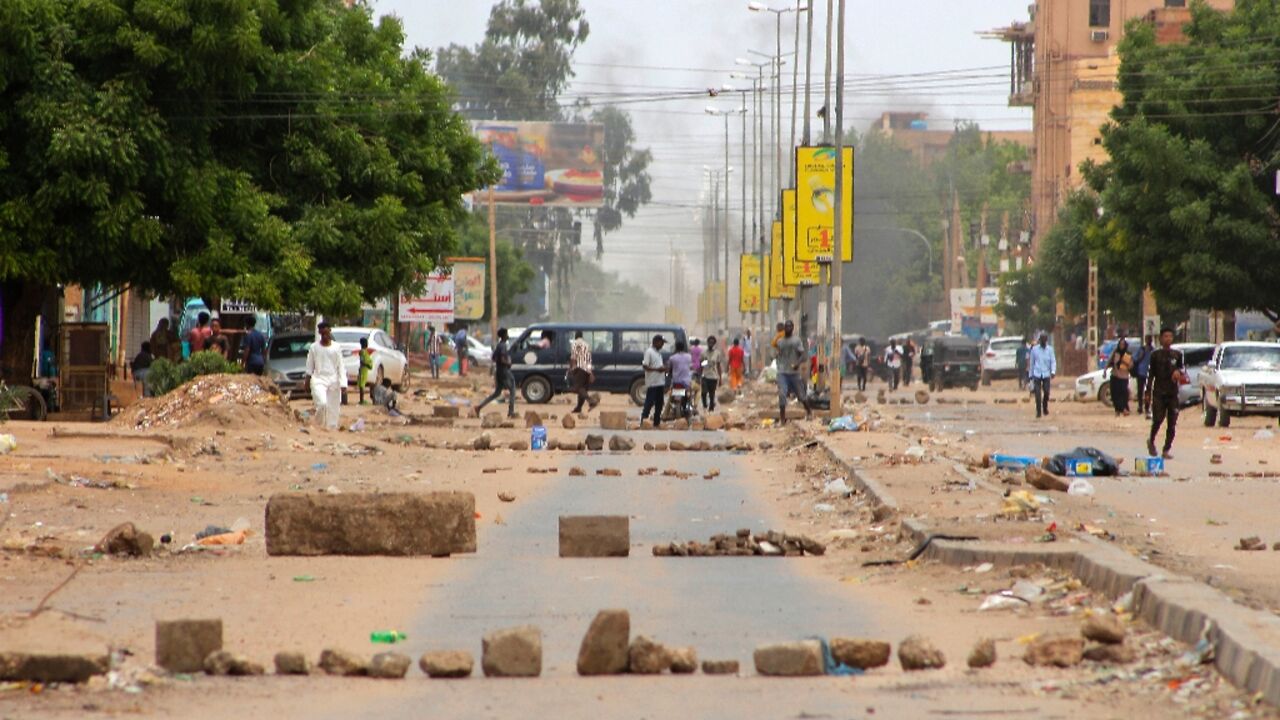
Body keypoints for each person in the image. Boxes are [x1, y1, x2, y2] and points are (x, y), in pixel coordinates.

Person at [1147, 327, 1185, 460]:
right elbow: (1151, 375)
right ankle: (1151, 440)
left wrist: (1179, 372)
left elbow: (1181, 369)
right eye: (1165, 336)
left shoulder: (1177, 355)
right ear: (1161, 339)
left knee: (1172, 422)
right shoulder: (1155, 355)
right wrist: (1147, 392)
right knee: (1158, 419)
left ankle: (1166, 449)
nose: (1168, 339)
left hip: (1173, 393)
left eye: (1170, 336)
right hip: (1159, 392)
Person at [306, 322, 347, 430]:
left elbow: (341, 366)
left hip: (333, 380)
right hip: (319, 379)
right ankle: (319, 426)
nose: (324, 336)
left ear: (330, 331)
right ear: (319, 333)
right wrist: (307, 381)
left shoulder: (336, 347)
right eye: (322, 333)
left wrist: (343, 383)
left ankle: (331, 429)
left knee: (333, 408)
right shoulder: (314, 347)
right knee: (322, 404)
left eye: (326, 333)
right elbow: (309, 366)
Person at [775, 320, 809, 424]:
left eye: (789, 327)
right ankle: (782, 419)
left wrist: (797, 364)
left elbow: (803, 355)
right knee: (782, 394)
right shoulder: (780, 342)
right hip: (782, 372)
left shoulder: (796, 341)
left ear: (792, 328)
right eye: (786, 327)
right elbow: (778, 354)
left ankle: (809, 411)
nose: (788, 329)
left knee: (801, 395)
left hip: (794, 373)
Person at [476, 327, 516, 417]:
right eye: (506, 334)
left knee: (497, 393)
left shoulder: (499, 345)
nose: (508, 335)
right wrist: (508, 362)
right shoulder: (503, 346)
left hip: (498, 371)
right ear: (504, 335)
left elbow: (494, 358)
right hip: (504, 371)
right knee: (512, 390)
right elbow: (502, 359)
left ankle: (479, 407)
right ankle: (511, 412)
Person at [640, 335, 668, 427]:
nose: (662, 345)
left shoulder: (658, 353)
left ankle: (656, 422)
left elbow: (658, 365)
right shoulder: (649, 352)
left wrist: (664, 368)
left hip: (660, 382)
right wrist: (657, 369)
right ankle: (643, 421)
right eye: (661, 343)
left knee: (659, 404)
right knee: (649, 402)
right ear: (656, 342)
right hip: (652, 383)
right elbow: (645, 366)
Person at [1028, 333, 1056, 418]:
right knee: (1037, 394)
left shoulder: (1050, 350)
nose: (1043, 342)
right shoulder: (1034, 350)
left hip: (1046, 374)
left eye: (1044, 340)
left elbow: (1053, 361)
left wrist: (1053, 371)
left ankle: (1045, 407)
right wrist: (1030, 375)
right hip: (1037, 374)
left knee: (1047, 392)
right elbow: (1032, 363)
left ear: (1046, 341)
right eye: (1042, 340)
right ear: (1040, 340)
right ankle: (1038, 411)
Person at [568, 330, 597, 415]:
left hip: (579, 368)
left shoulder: (575, 343)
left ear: (576, 336)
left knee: (578, 388)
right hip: (586, 369)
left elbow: (573, 357)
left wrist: (571, 368)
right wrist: (590, 372)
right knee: (583, 389)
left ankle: (591, 401)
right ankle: (578, 407)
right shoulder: (586, 345)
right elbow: (589, 359)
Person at [667, 340, 694, 418]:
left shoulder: (672, 358)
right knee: (691, 394)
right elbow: (691, 367)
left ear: (676, 348)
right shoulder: (689, 356)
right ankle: (691, 406)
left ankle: (670, 409)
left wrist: (669, 374)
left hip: (676, 381)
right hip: (686, 382)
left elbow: (670, 369)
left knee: (671, 395)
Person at [1108, 338, 1133, 417]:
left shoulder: (1127, 354)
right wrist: (1105, 370)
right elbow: (1110, 360)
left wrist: (1126, 363)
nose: (1121, 346)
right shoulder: (1116, 352)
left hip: (1124, 377)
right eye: (1120, 344)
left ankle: (1124, 409)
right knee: (1114, 394)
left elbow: (1131, 365)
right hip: (1115, 375)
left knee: (1123, 394)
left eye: (1123, 344)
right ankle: (1118, 410)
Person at [702, 336, 725, 412]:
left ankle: (711, 409)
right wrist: (705, 362)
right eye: (709, 342)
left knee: (712, 394)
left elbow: (718, 366)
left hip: (713, 376)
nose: (710, 344)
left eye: (712, 342)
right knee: (704, 392)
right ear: (707, 343)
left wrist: (720, 378)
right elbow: (701, 364)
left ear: (714, 344)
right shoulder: (704, 353)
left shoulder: (717, 353)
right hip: (705, 375)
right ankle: (705, 405)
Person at [1134, 336, 1154, 418]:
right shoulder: (1141, 349)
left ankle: (1146, 406)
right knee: (1140, 390)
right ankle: (1140, 406)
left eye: (1150, 340)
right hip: (1141, 372)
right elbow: (1135, 358)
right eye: (1147, 339)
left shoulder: (1153, 350)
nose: (1148, 341)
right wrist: (1140, 356)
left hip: (1149, 373)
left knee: (1147, 391)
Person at [356, 337, 373, 404]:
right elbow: (362, 361)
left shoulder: (364, 351)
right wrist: (368, 365)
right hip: (363, 370)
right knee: (362, 385)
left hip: (364, 370)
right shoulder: (363, 352)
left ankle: (362, 400)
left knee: (363, 384)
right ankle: (362, 400)